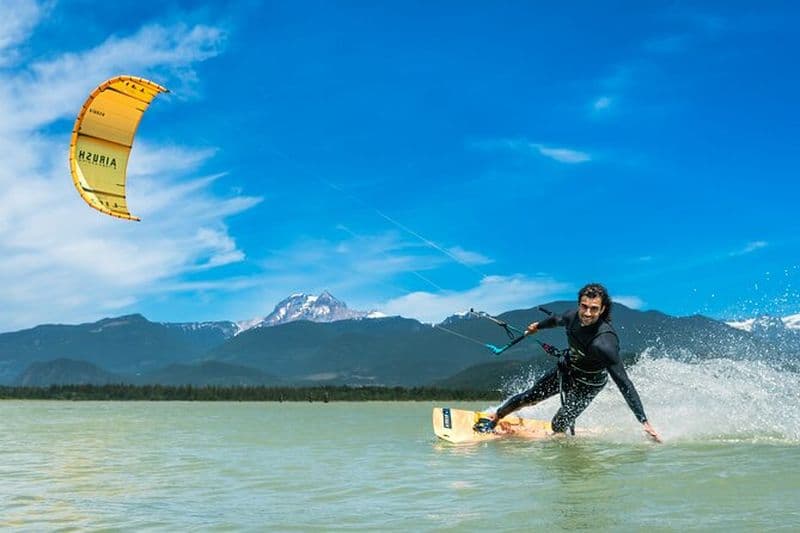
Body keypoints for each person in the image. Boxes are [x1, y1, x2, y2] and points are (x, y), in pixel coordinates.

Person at [474, 283, 662, 442]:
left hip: (588, 384)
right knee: (529, 398)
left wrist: (643, 420)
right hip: (568, 369)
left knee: (558, 423)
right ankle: (495, 419)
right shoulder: (573, 316)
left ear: (602, 309)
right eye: (584, 306)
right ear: (579, 304)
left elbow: (624, 383)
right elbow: (556, 320)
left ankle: (559, 443)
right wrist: (537, 327)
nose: (587, 313)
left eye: (594, 308)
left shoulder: (605, 343)